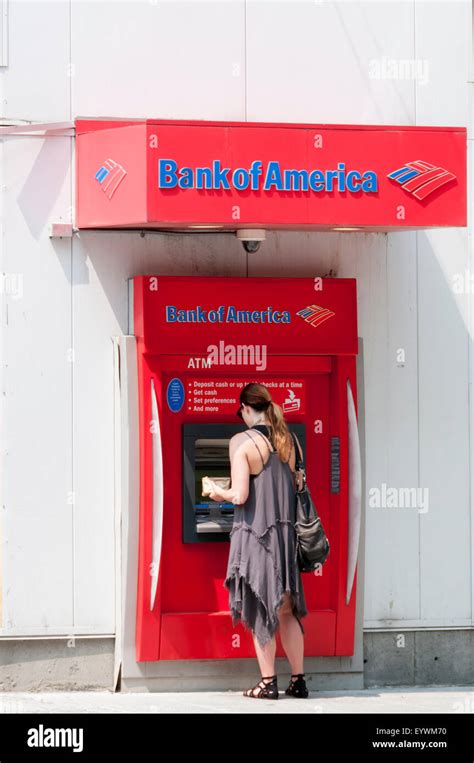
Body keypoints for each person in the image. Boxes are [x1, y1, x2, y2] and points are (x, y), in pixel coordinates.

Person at [202, 382, 310, 700]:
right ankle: (299, 681)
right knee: (287, 611)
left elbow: (239, 495)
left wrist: (212, 489)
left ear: (246, 409)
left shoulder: (243, 442)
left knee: (261, 608)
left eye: (241, 411)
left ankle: (267, 682)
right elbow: (295, 484)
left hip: (257, 536)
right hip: (286, 537)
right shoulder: (289, 441)